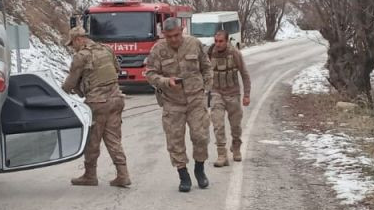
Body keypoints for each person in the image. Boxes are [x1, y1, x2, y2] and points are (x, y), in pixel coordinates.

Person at [143, 16, 211, 192]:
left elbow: (206, 67)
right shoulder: (158, 50)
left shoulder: (194, 43)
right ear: (164, 35)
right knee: (175, 141)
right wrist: (166, 81)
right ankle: (183, 175)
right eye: (169, 36)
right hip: (172, 102)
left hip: (196, 99)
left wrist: (206, 89)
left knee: (201, 136)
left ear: (181, 30)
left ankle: (199, 168)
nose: (173, 39)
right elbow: (150, 74)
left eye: (176, 35)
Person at [62, 25, 132, 188]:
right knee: (113, 139)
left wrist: (62, 92)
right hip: (116, 99)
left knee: (92, 140)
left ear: (78, 39)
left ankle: (90, 175)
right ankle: (123, 174)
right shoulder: (106, 49)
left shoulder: (81, 56)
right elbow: (116, 69)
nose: (73, 48)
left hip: (97, 103)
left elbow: (71, 82)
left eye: (73, 44)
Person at [206, 29, 252, 167]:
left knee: (235, 125)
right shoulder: (210, 53)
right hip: (216, 93)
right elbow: (203, 71)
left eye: (221, 41)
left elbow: (244, 74)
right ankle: (222, 154)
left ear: (227, 41)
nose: (218, 44)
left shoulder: (235, 54)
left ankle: (236, 147)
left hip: (233, 93)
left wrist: (247, 95)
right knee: (217, 124)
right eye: (216, 41)